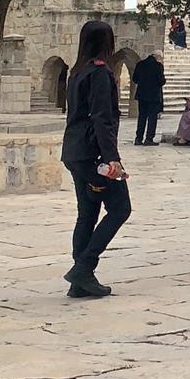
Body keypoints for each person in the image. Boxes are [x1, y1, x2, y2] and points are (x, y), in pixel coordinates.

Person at [60, 20, 130, 298]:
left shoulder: (77, 72)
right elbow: (102, 118)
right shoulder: (100, 73)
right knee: (120, 208)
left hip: (74, 151)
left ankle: (80, 283)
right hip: (93, 154)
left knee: (87, 214)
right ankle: (84, 268)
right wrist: (112, 158)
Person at [130, 52, 165, 146]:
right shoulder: (158, 66)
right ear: (157, 57)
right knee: (152, 118)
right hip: (154, 96)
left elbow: (135, 79)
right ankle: (149, 139)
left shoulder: (140, 64)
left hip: (142, 95)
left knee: (142, 117)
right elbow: (161, 81)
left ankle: (138, 138)